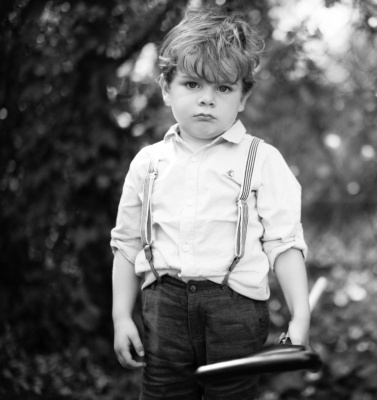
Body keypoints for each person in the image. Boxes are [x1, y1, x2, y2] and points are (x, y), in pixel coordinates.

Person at [110, 6, 310, 400]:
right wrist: (120, 316)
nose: (207, 100)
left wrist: (300, 315)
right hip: (163, 309)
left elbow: (284, 244)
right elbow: (126, 244)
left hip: (235, 312)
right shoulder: (148, 163)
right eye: (192, 84)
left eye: (223, 88)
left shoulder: (261, 160)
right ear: (167, 87)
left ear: (243, 97)